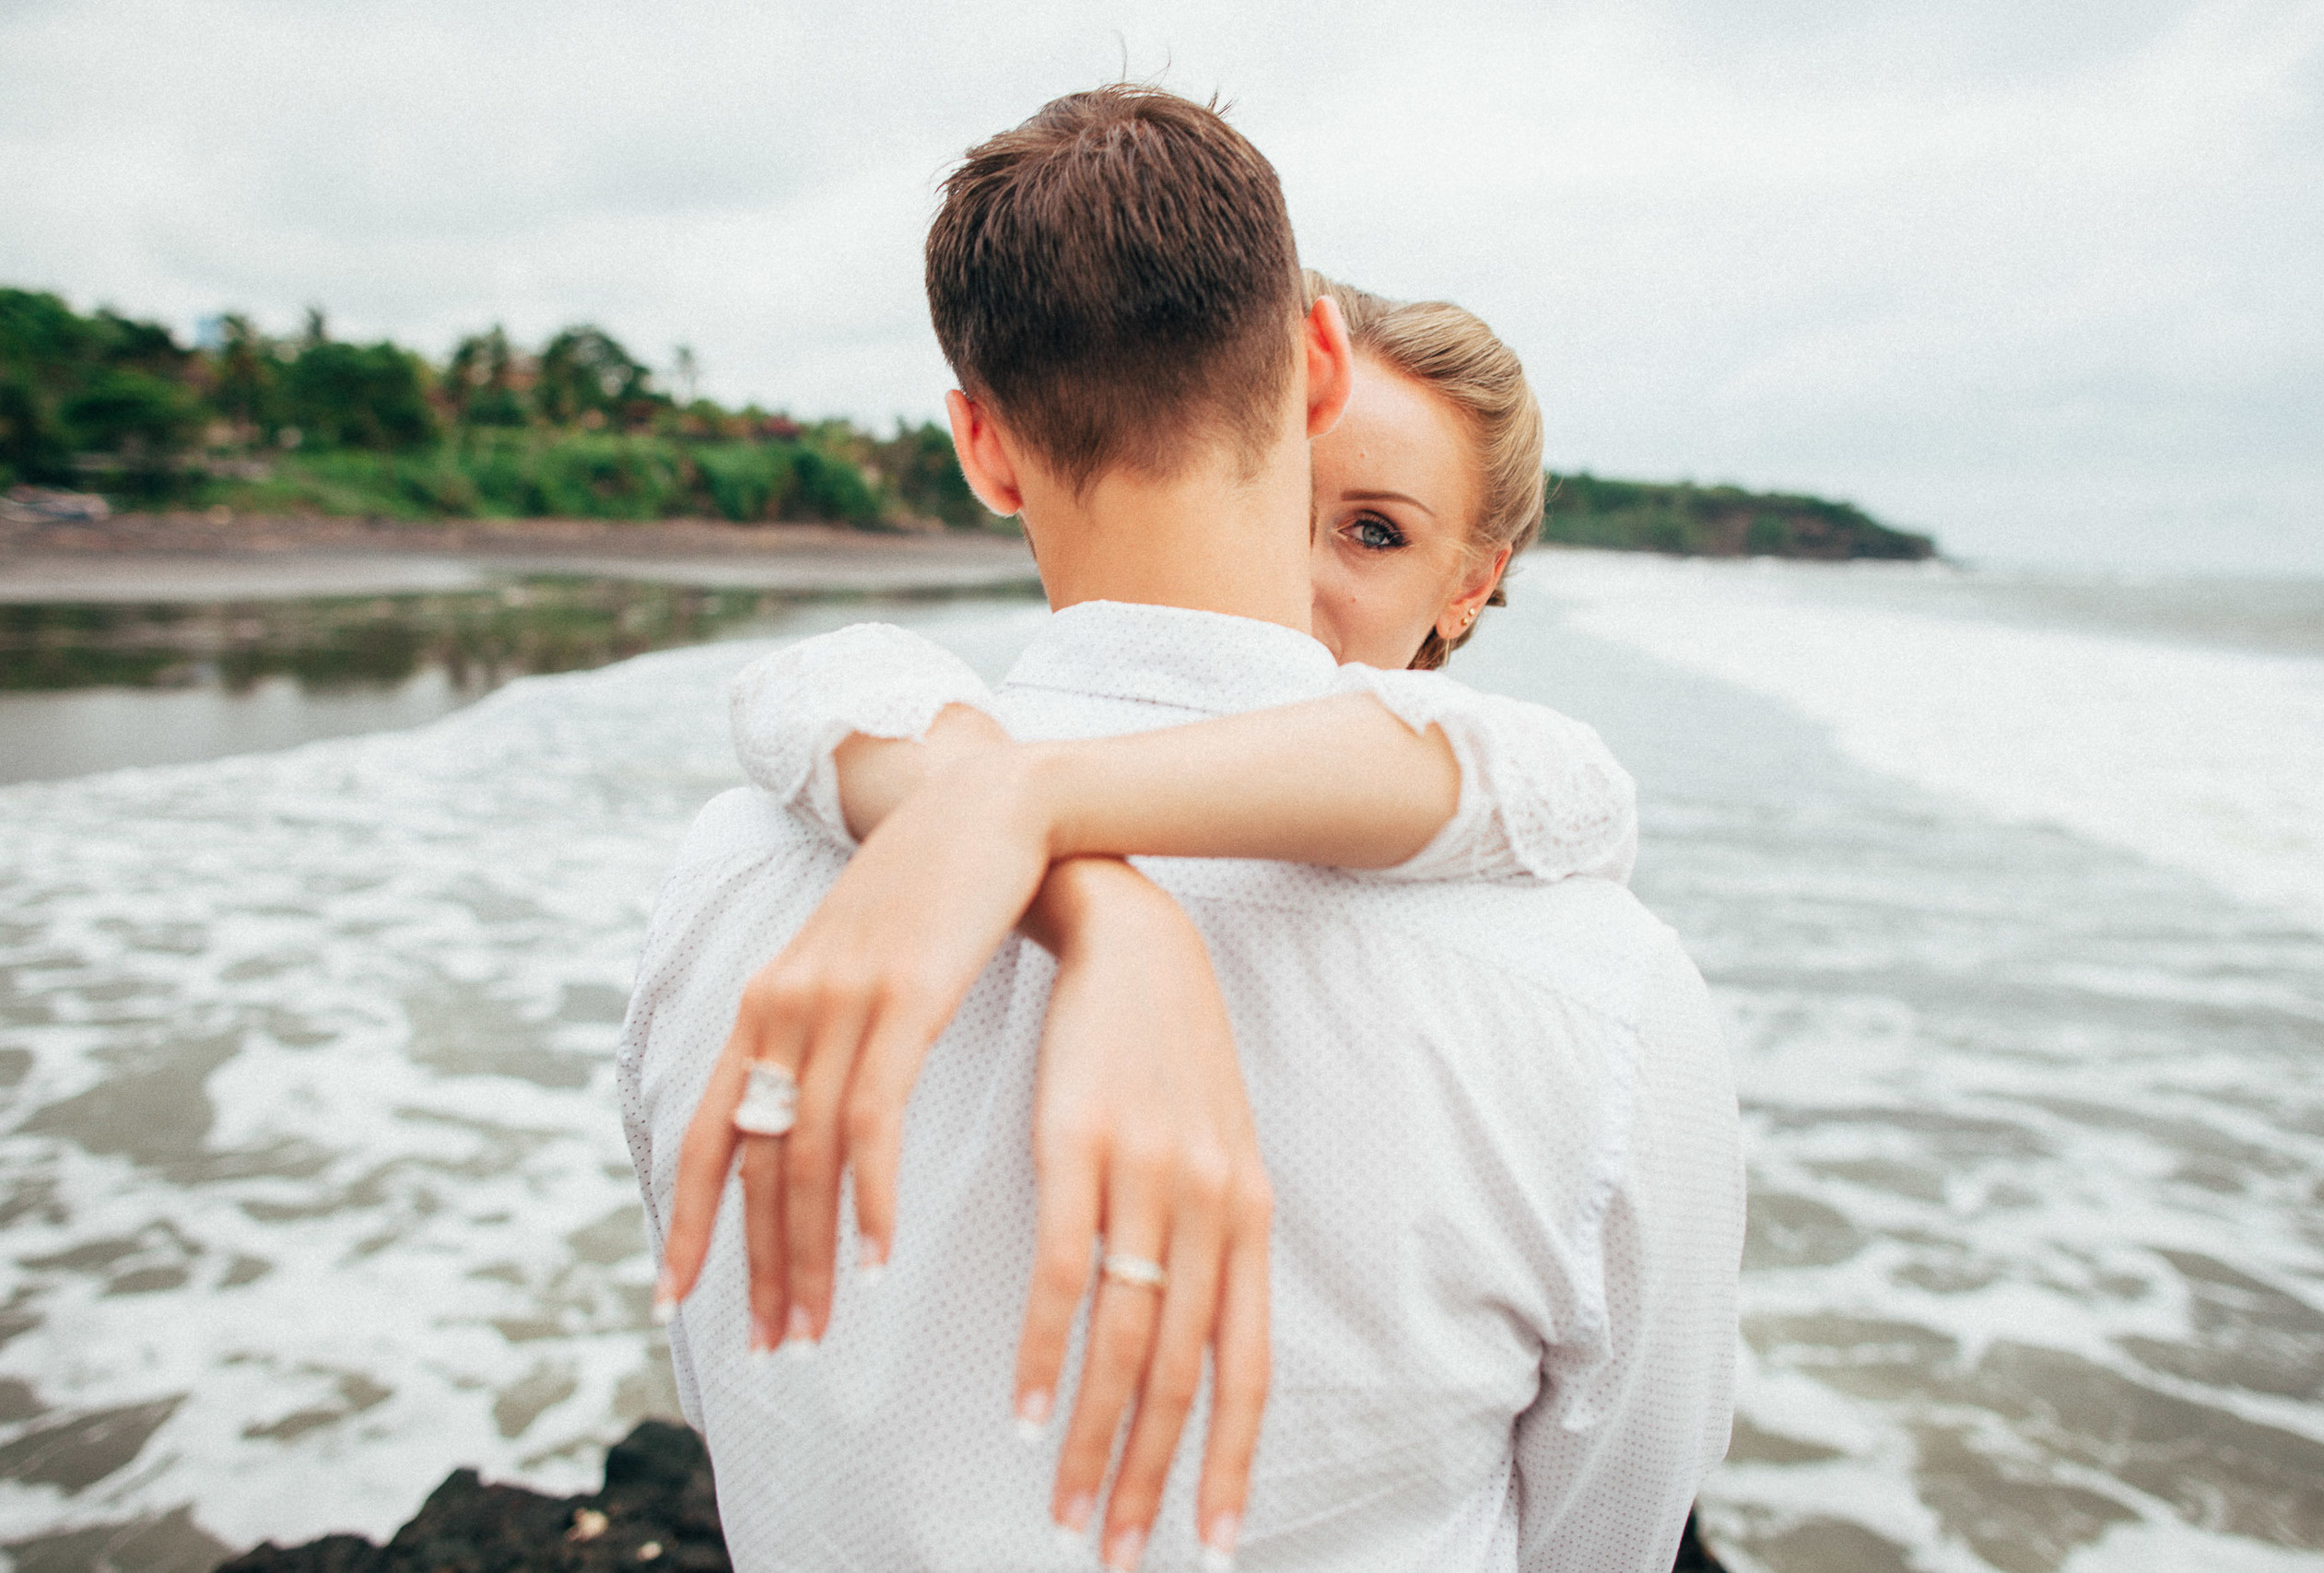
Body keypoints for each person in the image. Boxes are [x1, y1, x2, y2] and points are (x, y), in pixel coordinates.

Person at [620, 86, 1742, 1572]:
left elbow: (737, 1401)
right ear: (1319, 369)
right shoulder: (1596, 983)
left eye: (1385, 532)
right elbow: (1611, 1534)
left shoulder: (736, 874)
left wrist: (1032, 815)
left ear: (980, 446)